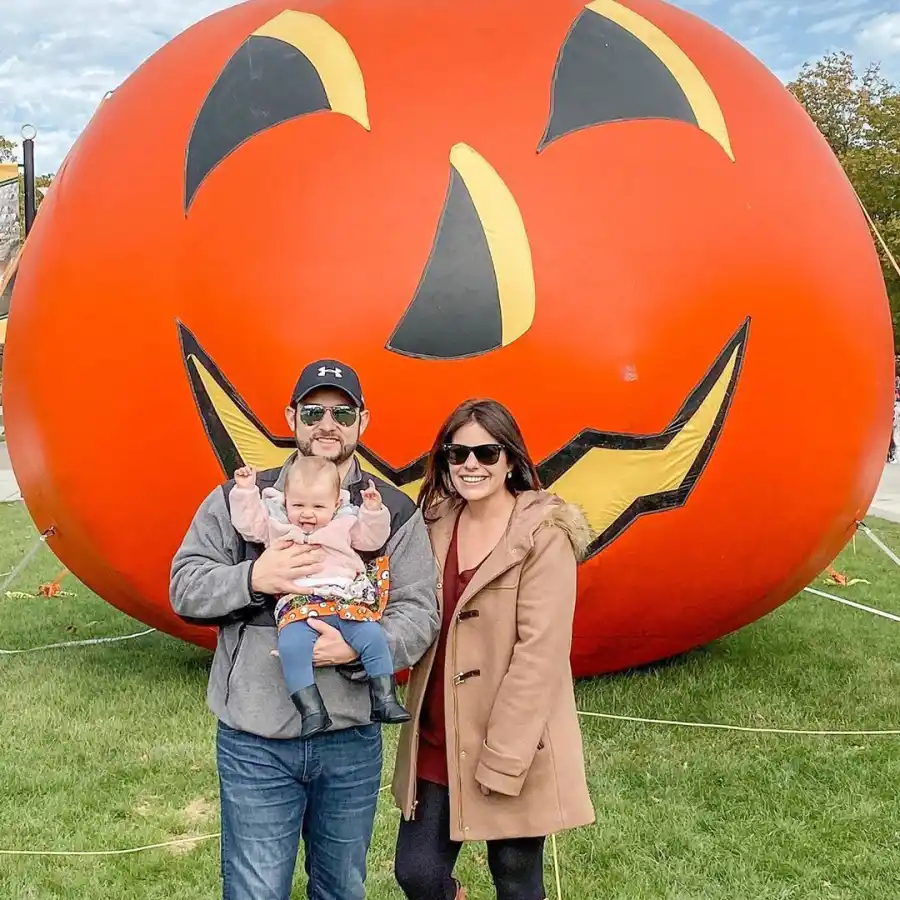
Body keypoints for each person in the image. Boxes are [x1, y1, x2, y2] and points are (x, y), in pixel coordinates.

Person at [169, 358, 440, 900]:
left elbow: (418, 608)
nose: (327, 424)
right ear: (291, 417)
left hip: (350, 737)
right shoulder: (243, 500)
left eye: (343, 413)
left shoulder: (387, 511)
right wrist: (253, 577)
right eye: (313, 411)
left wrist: (362, 648)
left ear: (364, 421)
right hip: (256, 738)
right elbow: (186, 585)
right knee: (256, 889)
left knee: (341, 888)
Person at [391, 398, 596, 900]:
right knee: (417, 873)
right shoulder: (431, 524)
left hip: (514, 740)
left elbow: (539, 655)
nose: (471, 466)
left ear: (511, 460)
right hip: (439, 734)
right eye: (457, 454)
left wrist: (505, 757)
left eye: (486, 453)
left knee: (515, 876)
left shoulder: (545, 536)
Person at [228, 455, 410, 738]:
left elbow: (371, 539)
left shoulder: (346, 523)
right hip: (300, 606)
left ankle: (384, 699)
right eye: (298, 505)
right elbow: (249, 524)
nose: (307, 514)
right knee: (291, 648)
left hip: (346, 602)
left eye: (318, 506)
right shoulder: (277, 526)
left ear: (336, 505)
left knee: (373, 638)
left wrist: (373, 511)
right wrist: (245, 491)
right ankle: (311, 710)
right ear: (285, 501)